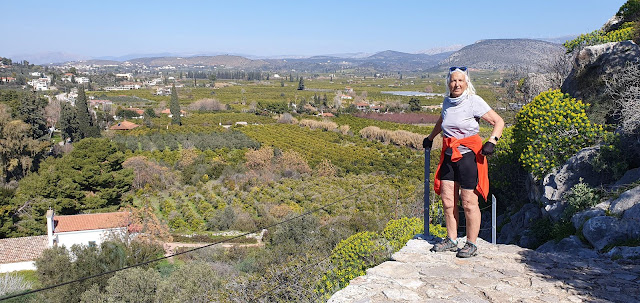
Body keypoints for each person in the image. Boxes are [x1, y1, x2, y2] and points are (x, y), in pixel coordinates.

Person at [423, 66, 504, 258]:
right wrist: (431, 136)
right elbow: (442, 120)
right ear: (448, 83)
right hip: (449, 156)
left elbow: (498, 121)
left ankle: (471, 243)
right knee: (448, 200)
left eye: (460, 80)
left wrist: (492, 141)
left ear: (467, 83)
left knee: (468, 202)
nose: (456, 84)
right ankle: (451, 240)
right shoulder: (447, 102)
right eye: (453, 80)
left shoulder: (473, 101)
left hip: (469, 157)